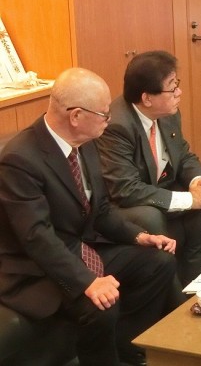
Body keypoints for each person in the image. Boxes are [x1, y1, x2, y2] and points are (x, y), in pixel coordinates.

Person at [0, 68, 178, 366]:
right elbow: (37, 238)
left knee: (158, 262)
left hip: (78, 248)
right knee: (101, 304)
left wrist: (139, 236)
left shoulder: (86, 141)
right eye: (104, 114)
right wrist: (87, 282)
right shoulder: (20, 160)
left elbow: (101, 209)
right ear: (76, 116)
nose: (110, 120)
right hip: (36, 269)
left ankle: (127, 346)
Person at [96, 51, 201, 287]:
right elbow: (125, 189)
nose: (179, 92)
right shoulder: (117, 126)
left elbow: (183, 155)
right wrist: (190, 199)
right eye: (172, 87)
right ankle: (172, 292)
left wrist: (199, 183)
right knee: (153, 214)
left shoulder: (167, 112)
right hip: (123, 204)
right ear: (147, 98)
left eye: (177, 84)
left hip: (156, 188)